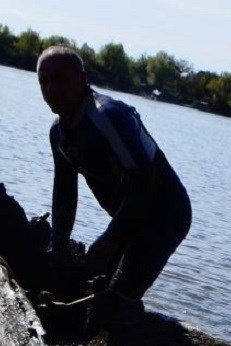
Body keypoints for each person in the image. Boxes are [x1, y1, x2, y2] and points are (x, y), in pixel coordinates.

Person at [36, 45, 191, 301]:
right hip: (130, 215)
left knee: (118, 295)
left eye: (60, 79)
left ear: (83, 80)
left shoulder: (107, 117)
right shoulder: (59, 135)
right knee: (87, 287)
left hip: (166, 214)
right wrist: (58, 246)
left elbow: (144, 181)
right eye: (44, 82)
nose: (51, 89)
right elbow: (65, 193)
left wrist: (110, 240)